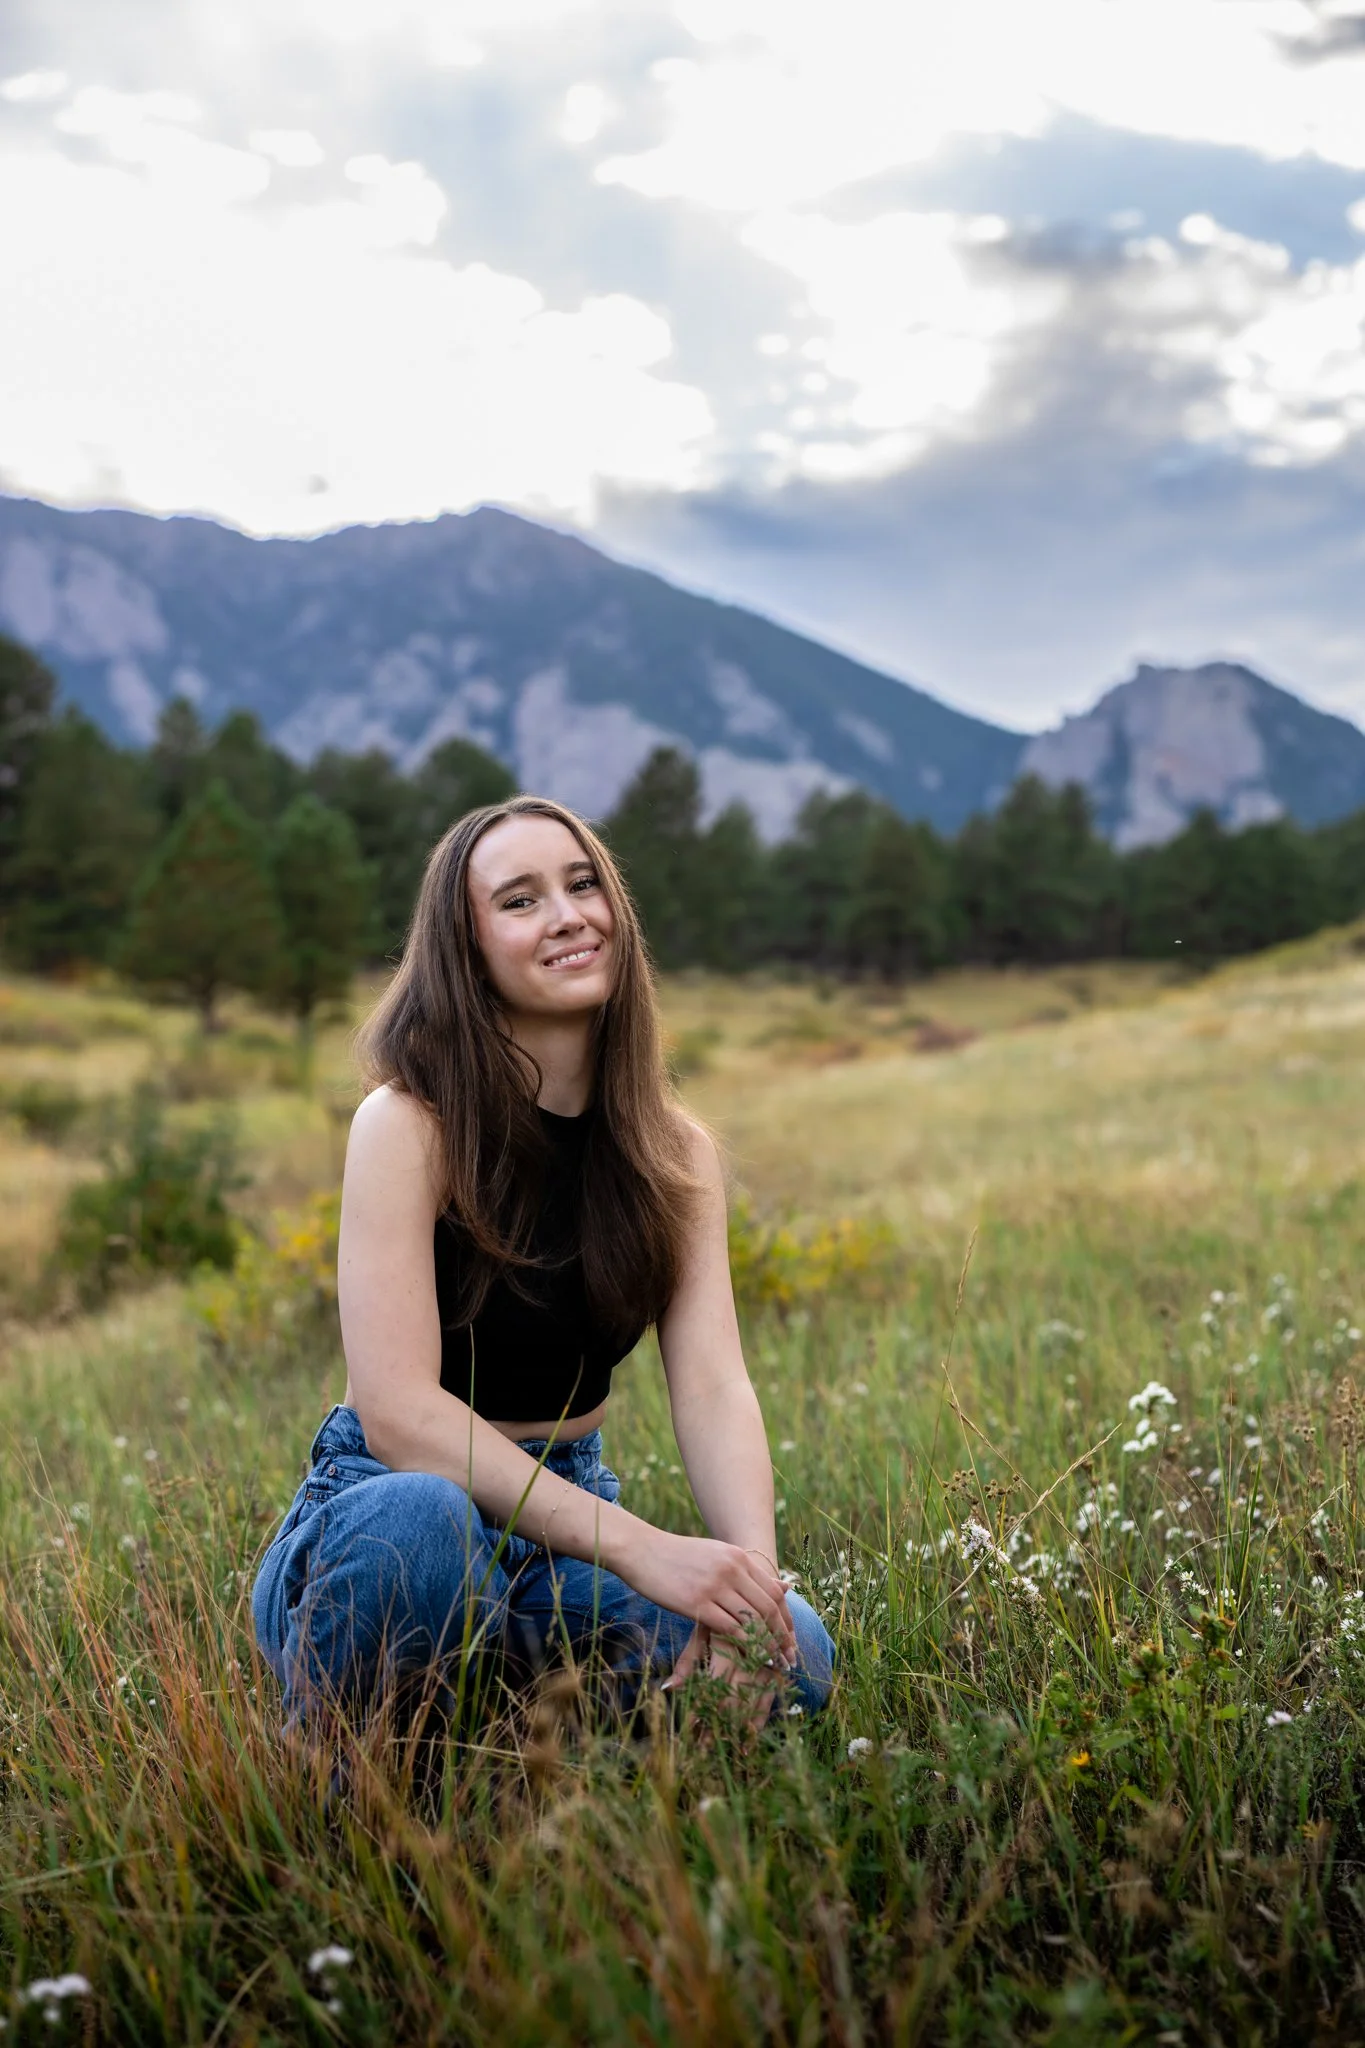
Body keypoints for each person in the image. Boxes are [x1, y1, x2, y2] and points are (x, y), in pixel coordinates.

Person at [251, 794, 834, 1739]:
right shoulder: (408, 1126)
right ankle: (364, 1767)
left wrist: (748, 1598)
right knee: (421, 1528)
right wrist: (645, 1551)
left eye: (582, 884)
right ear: (465, 946)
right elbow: (397, 1414)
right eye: (519, 900)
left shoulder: (671, 1152)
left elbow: (716, 1387)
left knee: (799, 1656)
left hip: (560, 1526)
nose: (567, 915)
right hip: (385, 1513)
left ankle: (509, 1719)